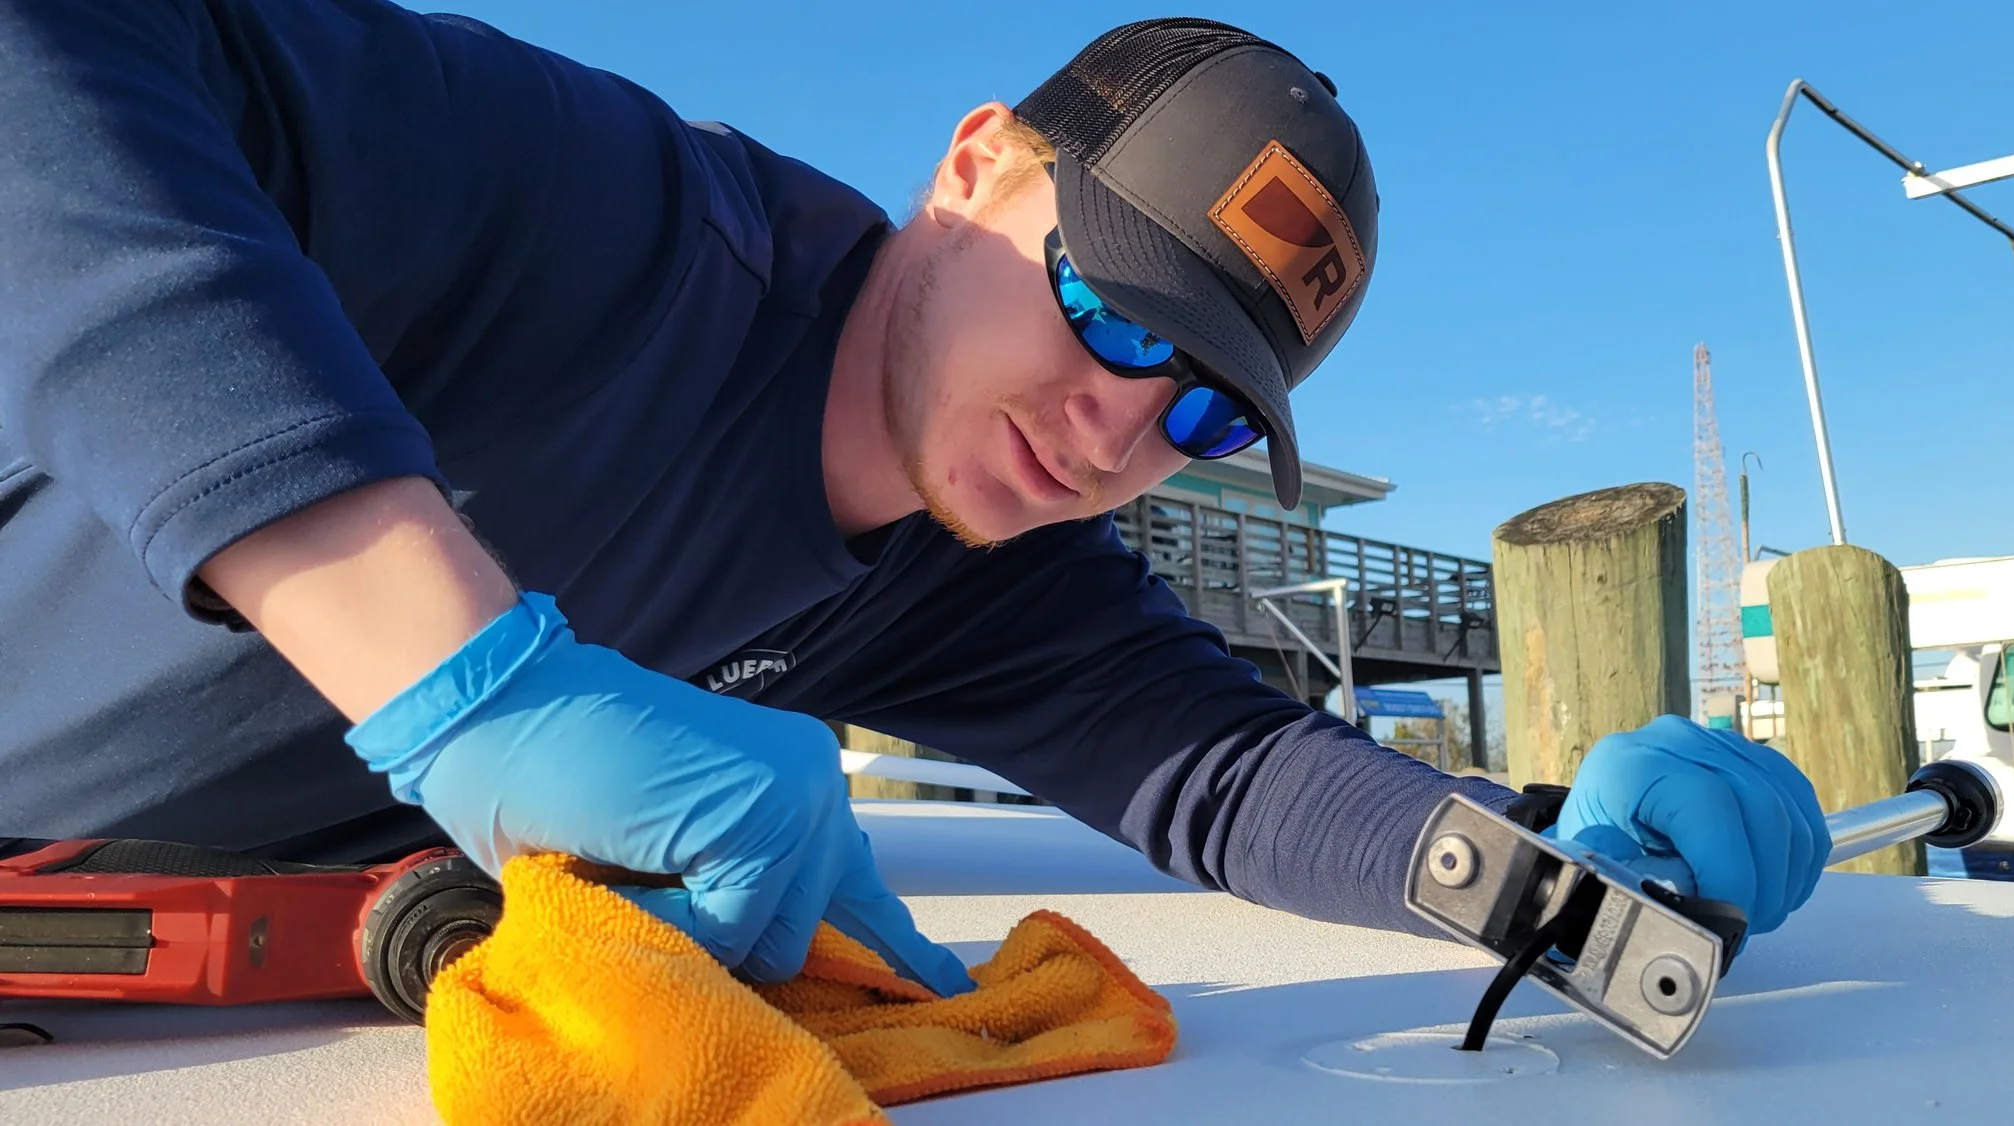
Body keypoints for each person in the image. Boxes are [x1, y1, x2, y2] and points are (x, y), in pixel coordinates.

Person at [0, 4, 1829, 995]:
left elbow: (1225, 768)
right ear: (976, 165)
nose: (1119, 427)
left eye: (1199, 410)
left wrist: (1556, 881)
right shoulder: (618, 221)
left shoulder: (983, 578)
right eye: (1109, 308)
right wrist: (473, 675)